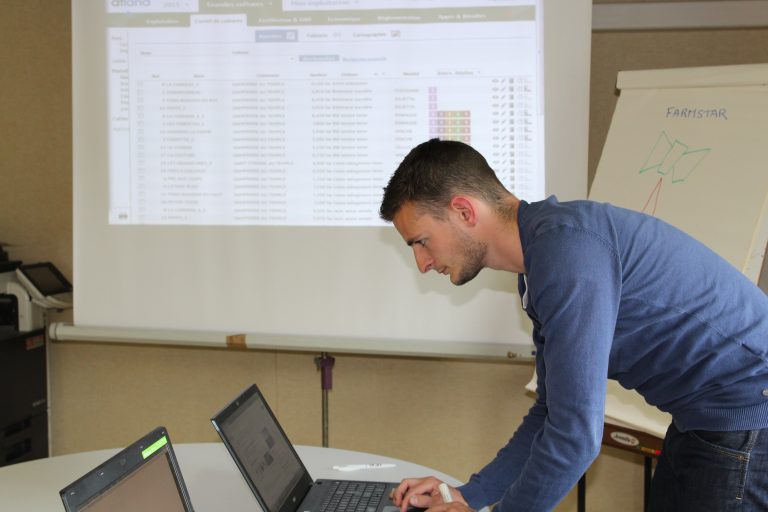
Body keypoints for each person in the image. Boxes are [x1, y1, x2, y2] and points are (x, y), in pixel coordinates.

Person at [379, 138, 768, 512]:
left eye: (421, 241)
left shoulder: (566, 254)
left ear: (464, 211)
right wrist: (467, 495)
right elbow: (552, 412)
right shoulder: (542, 261)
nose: (422, 264)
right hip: (704, 417)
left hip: (747, 414)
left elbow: (574, 437)